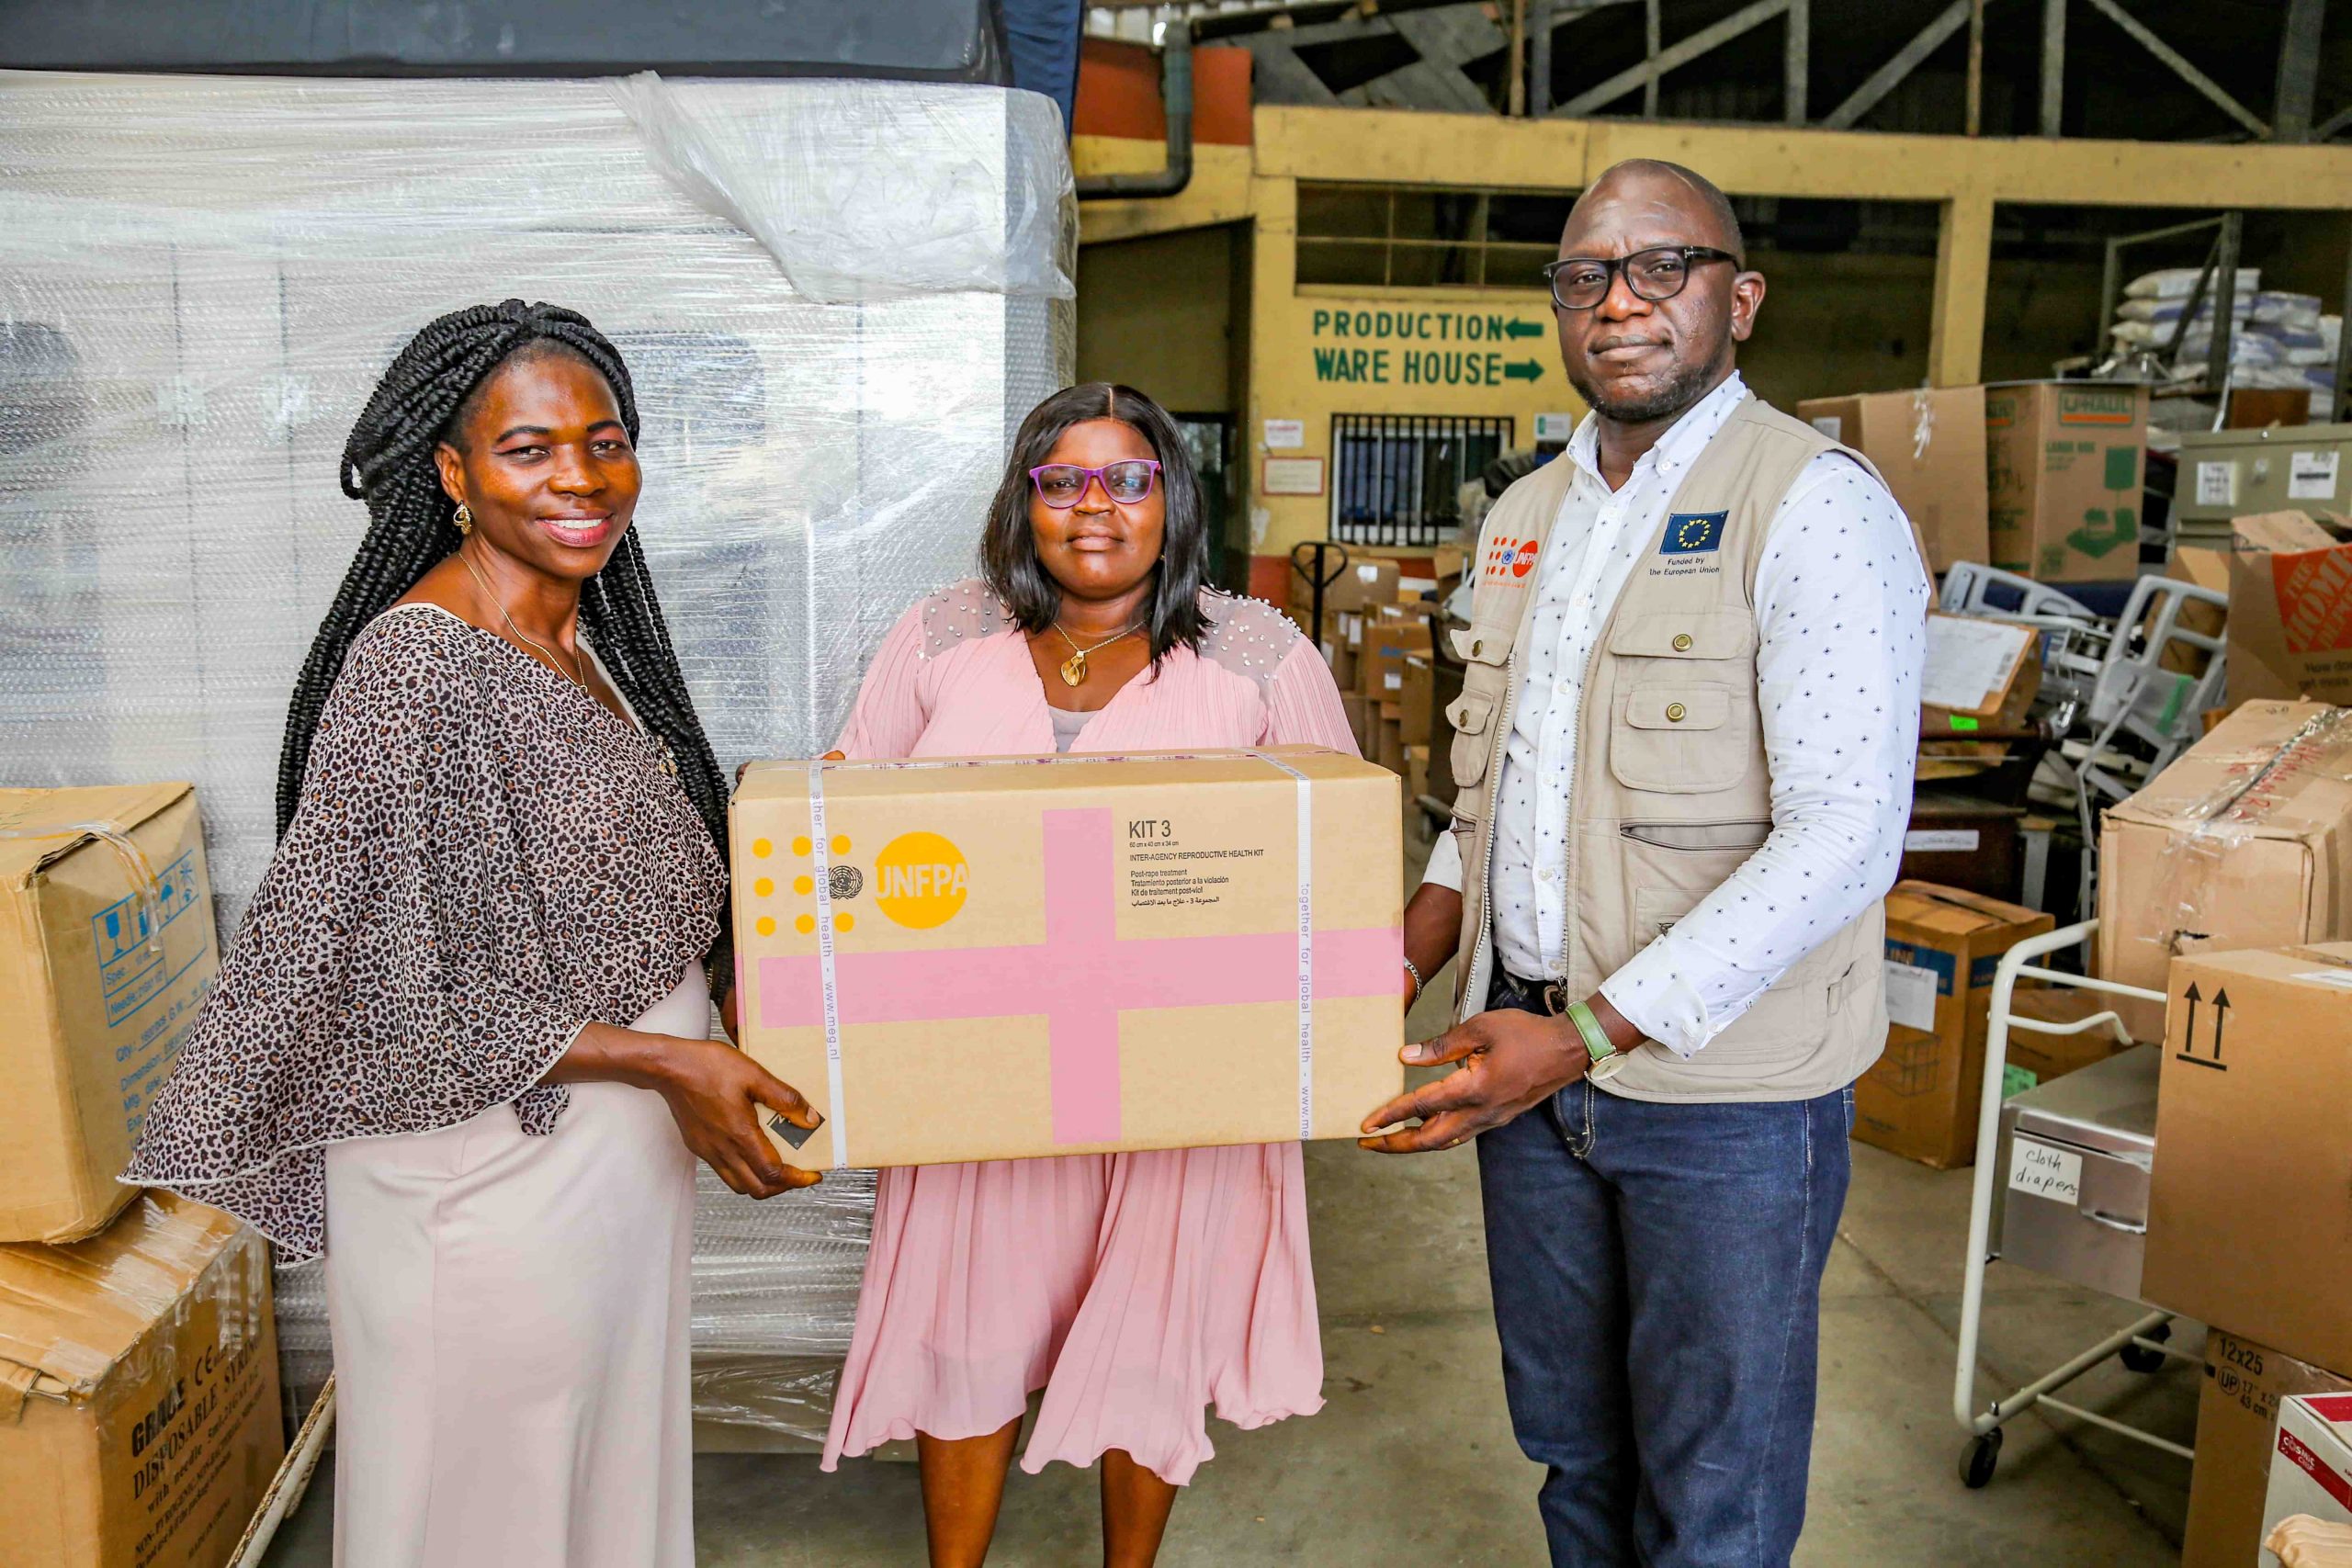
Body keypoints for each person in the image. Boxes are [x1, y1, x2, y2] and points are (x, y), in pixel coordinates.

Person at [123, 299, 821, 1568]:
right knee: (484, 1510)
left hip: (607, 1165)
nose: (582, 479)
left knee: (595, 1488)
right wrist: (672, 1063)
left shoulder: (580, 640)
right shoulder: (417, 669)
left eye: (607, 442)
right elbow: (383, 991)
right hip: (493, 1183)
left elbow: (626, 885)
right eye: (531, 448)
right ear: (451, 472)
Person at [1361, 161, 1928, 1566]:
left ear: (1739, 299)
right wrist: (1405, 954)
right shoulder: (1523, 522)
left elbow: (1845, 839)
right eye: (1584, 276)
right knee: (1575, 1452)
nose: (1618, 302)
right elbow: (1485, 792)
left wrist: (1585, 1037)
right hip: (1525, 1063)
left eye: (1659, 268)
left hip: (1722, 1101)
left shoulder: (1814, 504)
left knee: (1712, 1487)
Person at [819, 382, 1363, 1567]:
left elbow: (1340, 861)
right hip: (977, 1076)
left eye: (1128, 478)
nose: (1094, 509)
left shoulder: (1259, 656)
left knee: (1151, 1335)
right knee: (967, 1331)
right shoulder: (941, 637)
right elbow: (837, 822)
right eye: (1061, 481)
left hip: (1187, 1085)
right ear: (1025, 503)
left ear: (1174, 497)